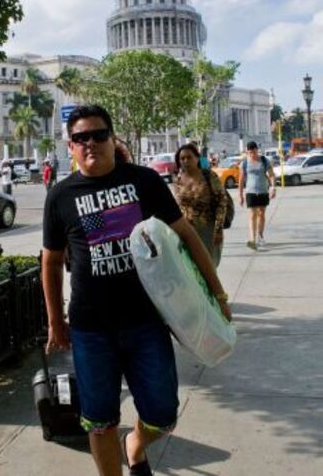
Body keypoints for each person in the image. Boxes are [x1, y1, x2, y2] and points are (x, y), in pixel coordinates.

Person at [42, 104, 231, 476]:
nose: (90, 143)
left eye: (98, 134)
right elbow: (50, 261)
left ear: (112, 139)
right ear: (71, 147)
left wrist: (218, 296)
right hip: (91, 328)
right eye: (81, 138)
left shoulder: (143, 181)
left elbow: (187, 237)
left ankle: (136, 445)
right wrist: (54, 321)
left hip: (145, 321)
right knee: (98, 420)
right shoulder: (61, 196)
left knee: (162, 414)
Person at [173, 143, 228, 267]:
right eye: (182, 159)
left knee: (209, 269)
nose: (185, 161)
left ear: (197, 158)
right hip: (186, 232)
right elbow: (178, 206)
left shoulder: (209, 176)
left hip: (208, 230)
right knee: (190, 271)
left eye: (189, 157)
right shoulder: (178, 180)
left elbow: (222, 202)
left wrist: (218, 229)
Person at [239, 141, 276, 250]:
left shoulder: (264, 161)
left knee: (261, 214)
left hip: (263, 191)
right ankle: (252, 239)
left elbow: (272, 175)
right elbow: (241, 180)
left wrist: (273, 188)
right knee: (252, 215)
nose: (252, 155)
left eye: (253, 152)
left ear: (257, 150)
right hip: (250, 191)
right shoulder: (245, 163)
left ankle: (260, 235)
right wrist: (240, 195)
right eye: (249, 153)